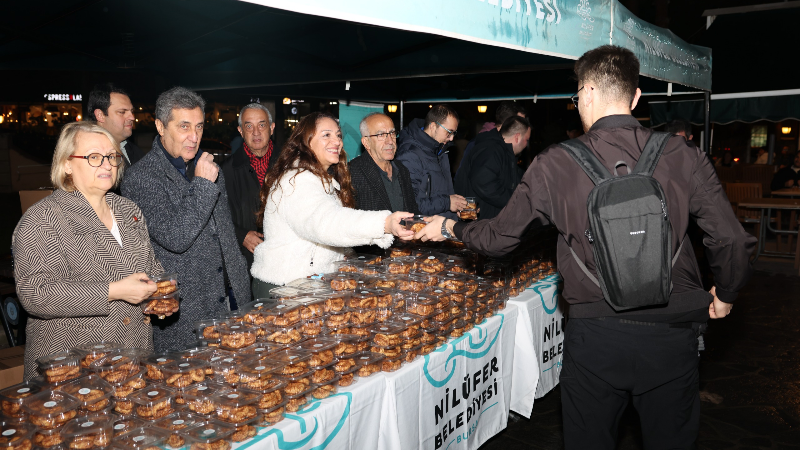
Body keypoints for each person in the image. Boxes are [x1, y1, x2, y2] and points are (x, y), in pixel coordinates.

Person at [415, 45, 756, 450]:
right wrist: (726, 293)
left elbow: (498, 239)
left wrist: (450, 226)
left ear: (587, 93)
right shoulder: (683, 154)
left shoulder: (554, 163)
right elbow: (731, 238)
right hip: (672, 334)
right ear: (635, 98)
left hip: (595, 336)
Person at [13, 122, 167, 380]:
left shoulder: (129, 211)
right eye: (94, 157)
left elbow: (151, 268)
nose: (107, 164)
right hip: (73, 369)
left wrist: (160, 296)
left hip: (133, 358)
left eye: (112, 156)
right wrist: (113, 291)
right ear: (67, 165)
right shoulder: (43, 219)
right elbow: (35, 293)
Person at [121, 87, 250, 352]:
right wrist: (202, 184)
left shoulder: (208, 168)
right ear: (160, 126)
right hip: (186, 313)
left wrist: (241, 286)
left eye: (199, 127)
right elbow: (175, 237)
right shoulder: (141, 178)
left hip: (231, 299)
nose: (194, 137)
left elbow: (223, 233)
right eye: (184, 127)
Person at [250, 112, 414, 297]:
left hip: (307, 285)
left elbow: (326, 235)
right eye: (326, 135)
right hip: (283, 287)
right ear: (306, 141)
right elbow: (326, 223)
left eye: (338, 135)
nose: (336, 141)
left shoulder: (322, 181)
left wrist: (345, 256)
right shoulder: (297, 181)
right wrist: (384, 223)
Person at [221, 103, 280, 271]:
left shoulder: (289, 165)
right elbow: (215, 218)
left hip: (284, 260)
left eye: (262, 125)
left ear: (272, 128)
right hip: (244, 263)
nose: (256, 132)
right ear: (240, 131)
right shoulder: (224, 171)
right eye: (249, 126)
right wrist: (241, 235)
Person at [396, 104, 466, 220]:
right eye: (449, 132)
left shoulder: (441, 151)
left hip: (441, 229)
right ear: (433, 126)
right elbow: (409, 205)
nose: (452, 138)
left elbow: (442, 193)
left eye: (454, 133)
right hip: (423, 231)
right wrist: (448, 203)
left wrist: (456, 207)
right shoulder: (410, 155)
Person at [454, 116, 531, 220]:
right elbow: (483, 182)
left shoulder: (504, 153)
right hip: (480, 224)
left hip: (487, 223)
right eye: (527, 140)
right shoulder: (491, 150)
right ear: (517, 137)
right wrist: (513, 200)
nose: (527, 144)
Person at [350, 113, 419, 215]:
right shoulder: (352, 173)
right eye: (381, 135)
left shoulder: (402, 170)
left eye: (392, 133)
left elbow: (413, 211)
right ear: (366, 142)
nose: (390, 141)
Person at [456, 101, 527, 175]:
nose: (524, 128)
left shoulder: (508, 144)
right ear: (507, 123)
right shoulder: (478, 144)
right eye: (521, 123)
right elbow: (463, 177)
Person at [87, 83, 145, 167]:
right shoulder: (85, 154)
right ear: (100, 115)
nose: (132, 117)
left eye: (131, 111)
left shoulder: (136, 152)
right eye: (122, 112)